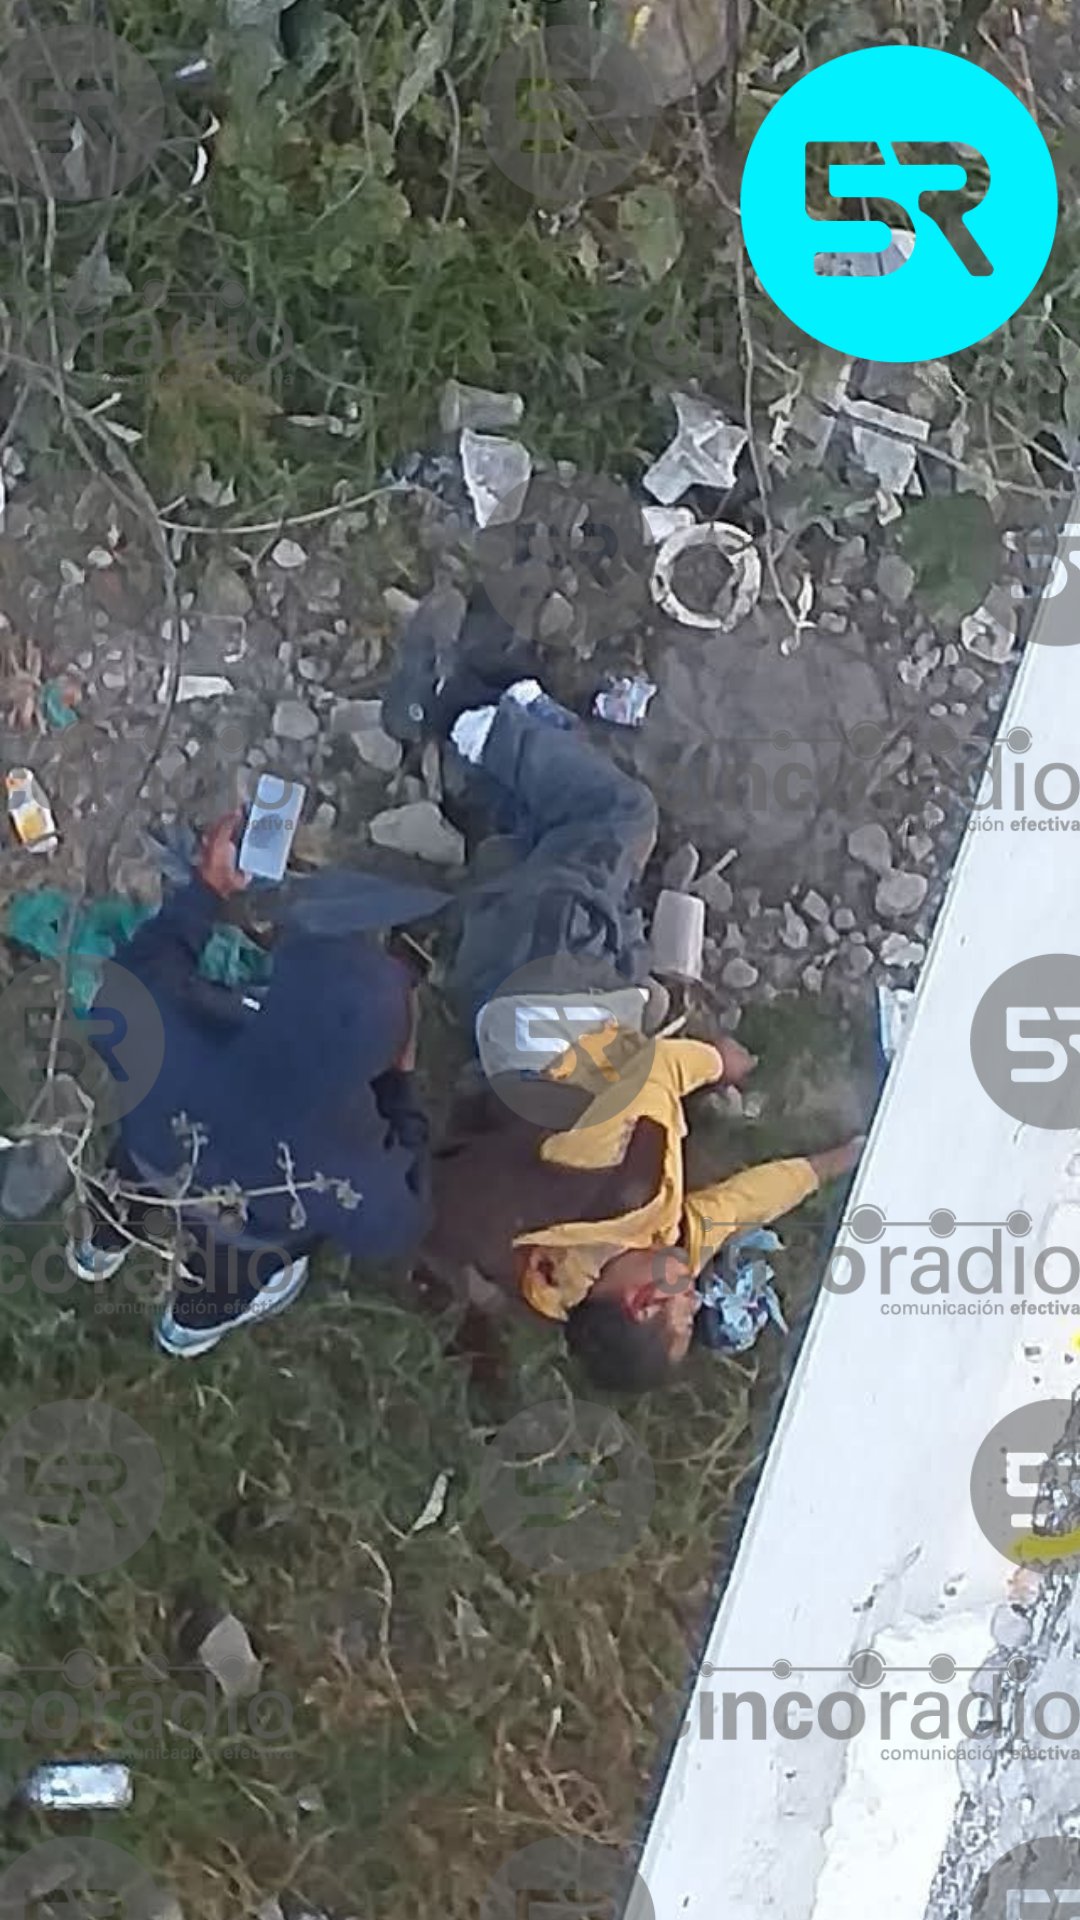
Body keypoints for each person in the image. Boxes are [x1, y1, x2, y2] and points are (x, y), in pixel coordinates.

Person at [70, 812, 432, 1358]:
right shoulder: (356, 1167)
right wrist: (401, 1089)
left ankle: (99, 1246)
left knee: (126, 1183)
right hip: (249, 1230)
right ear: (384, 1054)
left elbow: (124, 988)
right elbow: (401, 1222)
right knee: (233, 1274)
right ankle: (187, 1327)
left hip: (155, 1152)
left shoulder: (182, 1029)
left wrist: (208, 890)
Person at [423, 1026, 863, 1392]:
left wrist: (716, 1061)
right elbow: (734, 1209)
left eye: (685, 1318)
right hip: (526, 1140)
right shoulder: (628, 1268)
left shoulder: (597, 1176)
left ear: (643, 1304)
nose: (696, 1299)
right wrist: (831, 1164)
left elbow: (656, 1066)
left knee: (647, 1005)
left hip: (544, 1071)